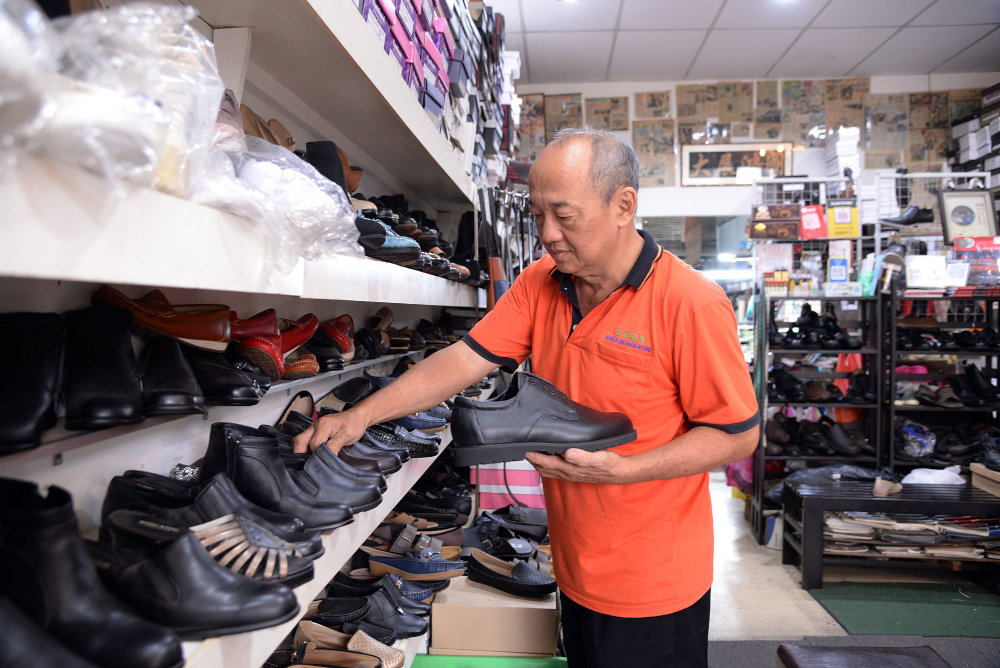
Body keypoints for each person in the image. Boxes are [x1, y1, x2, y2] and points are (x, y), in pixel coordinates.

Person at [294, 128, 760, 668]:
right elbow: (465, 360)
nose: (547, 234)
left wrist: (624, 472)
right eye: (537, 214)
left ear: (623, 205)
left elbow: (738, 435)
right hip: (573, 560)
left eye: (564, 214)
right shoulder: (544, 280)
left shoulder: (691, 303)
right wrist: (362, 416)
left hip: (654, 581)